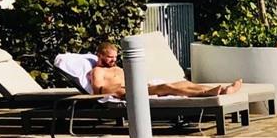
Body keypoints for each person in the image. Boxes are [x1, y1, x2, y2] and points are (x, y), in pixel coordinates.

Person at [88, 43, 241, 97]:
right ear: (100, 55)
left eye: (115, 57)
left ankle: (222, 90)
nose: (113, 60)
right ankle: (204, 93)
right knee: (167, 88)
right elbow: (98, 90)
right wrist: (122, 88)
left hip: (140, 87)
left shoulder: (117, 68)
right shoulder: (98, 71)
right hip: (128, 93)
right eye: (109, 57)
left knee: (181, 83)